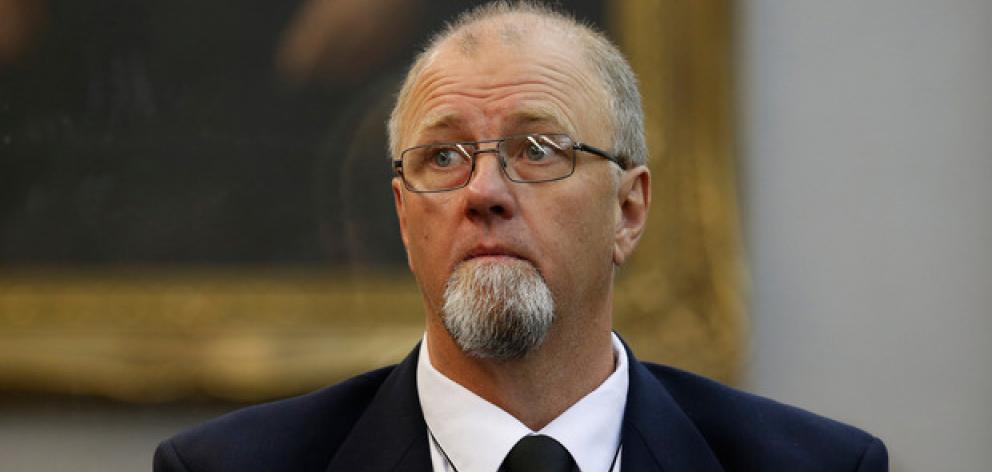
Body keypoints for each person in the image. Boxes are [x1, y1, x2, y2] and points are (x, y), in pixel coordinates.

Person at [154, 2, 888, 471]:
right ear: (406, 219)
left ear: (628, 212)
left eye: (538, 150)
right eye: (442, 157)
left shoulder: (814, 465)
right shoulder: (231, 468)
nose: (483, 193)